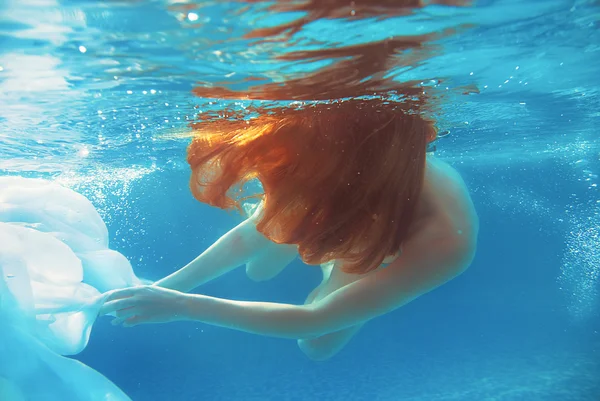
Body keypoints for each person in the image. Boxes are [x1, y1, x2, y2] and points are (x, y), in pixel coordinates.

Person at [101, 99, 479, 361]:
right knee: (259, 267)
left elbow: (316, 321)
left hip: (387, 236)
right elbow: (246, 237)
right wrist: (167, 287)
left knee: (316, 346)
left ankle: (328, 252)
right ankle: (300, 236)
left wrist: (184, 306)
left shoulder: (445, 240)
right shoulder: (338, 167)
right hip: (358, 198)